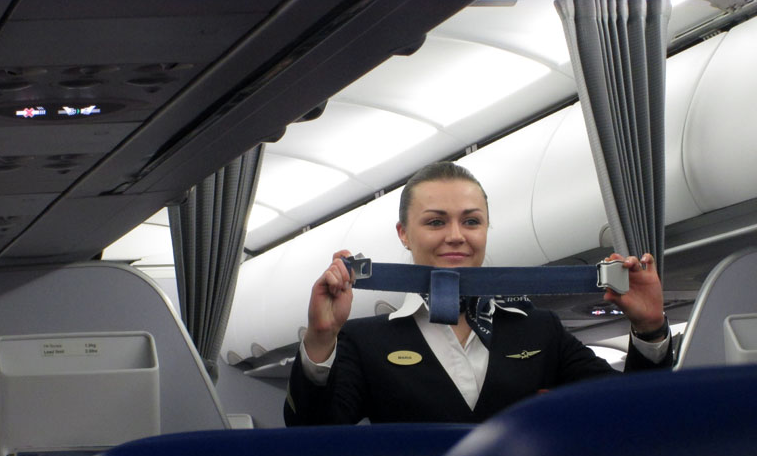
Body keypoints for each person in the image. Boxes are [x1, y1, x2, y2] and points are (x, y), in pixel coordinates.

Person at [284, 162, 672, 425]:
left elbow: (633, 412)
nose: (456, 235)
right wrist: (321, 339)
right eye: (435, 222)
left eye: (471, 221)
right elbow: (312, 432)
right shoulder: (365, 340)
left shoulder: (539, 331)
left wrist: (650, 328)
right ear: (404, 234)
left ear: (486, 229)